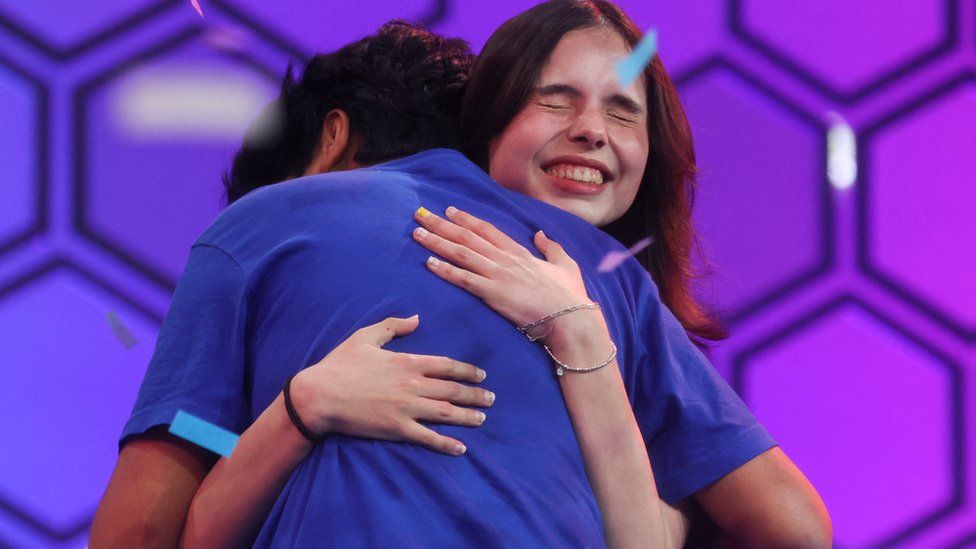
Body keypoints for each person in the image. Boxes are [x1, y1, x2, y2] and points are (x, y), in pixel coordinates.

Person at [94, 2, 831, 546]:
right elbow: (793, 528)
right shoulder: (614, 284)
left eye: (622, 112)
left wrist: (295, 409)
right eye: (556, 99)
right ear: (488, 130)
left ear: (331, 138)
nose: (591, 131)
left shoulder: (260, 224)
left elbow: (138, 534)